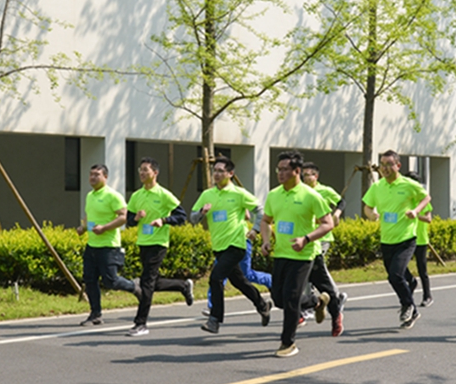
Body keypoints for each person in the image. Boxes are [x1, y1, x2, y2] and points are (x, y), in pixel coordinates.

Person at [261, 151, 335, 357]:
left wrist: (306, 239)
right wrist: (266, 241)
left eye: (285, 169)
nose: (280, 173)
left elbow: (328, 223)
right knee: (278, 298)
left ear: (297, 171)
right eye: (278, 169)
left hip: (302, 255)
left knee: (291, 299)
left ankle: (288, 343)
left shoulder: (311, 196)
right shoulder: (274, 195)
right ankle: (317, 302)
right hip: (280, 254)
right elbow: (266, 220)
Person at [191, 156, 272, 333]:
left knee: (216, 278)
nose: (216, 174)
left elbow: (261, 210)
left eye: (221, 171)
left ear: (230, 174)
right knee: (240, 282)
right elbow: (192, 218)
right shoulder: (207, 194)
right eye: (215, 171)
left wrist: (255, 229)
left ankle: (214, 320)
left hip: (236, 245)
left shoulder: (239, 193)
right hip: (218, 247)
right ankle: (262, 305)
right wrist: (202, 212)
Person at [125, 157, 194, 337]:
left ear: (155, 173)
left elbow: (181, 216)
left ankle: (141, 323)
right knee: (151, 281)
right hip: (143, 242)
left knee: (147, 282)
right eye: (140, 170)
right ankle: (183, 285)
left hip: (158, 243)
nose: (141, 173)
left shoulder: (164, 194)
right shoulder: (136, 195)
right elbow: (129, 221)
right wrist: (136, 218)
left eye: (145, 170)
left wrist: (163, 220)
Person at [362, 151, 432, 329]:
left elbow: (426, 197)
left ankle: (407, 305)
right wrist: (372, 214)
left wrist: (416, 211)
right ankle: (413, 304)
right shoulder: (377, 186)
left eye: (389, 164)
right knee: (394, 276)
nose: (384, 168)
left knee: (395, 275)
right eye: (382, 165)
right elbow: (367, 207)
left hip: (406, 238)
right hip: (387, 239)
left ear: (398, 166)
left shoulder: (409, 184)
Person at [76, 164, 139, 326]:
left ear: (105, 177)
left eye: (97, 175)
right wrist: (83, 227)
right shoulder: (90, 195)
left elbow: (123, 217)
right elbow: (89, 215)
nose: (92, 177)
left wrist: (104, 228)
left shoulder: (113, 195)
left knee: (111, 281)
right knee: (90, 280)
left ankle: (134, 286)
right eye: (91, 174)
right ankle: (95, 314)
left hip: (109, 246)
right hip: (92, 245)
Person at [301, 161, 346, 332]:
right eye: (304, 175)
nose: (306, 178)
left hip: (323, 237)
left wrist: (337, 214)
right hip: (307, 238)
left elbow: (341, 202)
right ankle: (327, 299)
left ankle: (329, 299)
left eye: (309, 175)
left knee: (315, 271)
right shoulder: (301, 192)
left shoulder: (325, 191)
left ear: (316, 176)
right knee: (313, 274)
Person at [408, 172, 434, 307]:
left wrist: (415, 214)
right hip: (406, 237)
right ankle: (411, 282)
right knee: (399, 267)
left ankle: (427, 295)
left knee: (422, 268)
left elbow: (429, 218)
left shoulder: (423, 200)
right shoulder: (404, 200)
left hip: (420, 239)